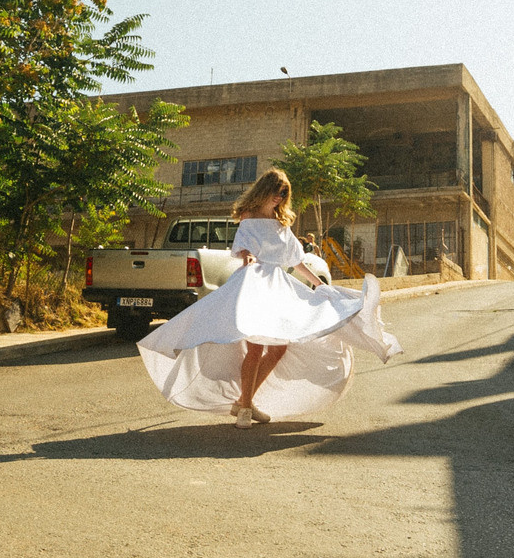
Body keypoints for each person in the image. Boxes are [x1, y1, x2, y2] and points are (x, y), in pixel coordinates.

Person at [139, 168, 401, 426]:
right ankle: (245, 408)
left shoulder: (281, 223)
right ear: (265, 189)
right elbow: (241, 249)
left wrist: (319, 284)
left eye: (284, 193)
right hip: (253, 284)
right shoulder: (248, 216)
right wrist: (248, 256)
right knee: (255, 348)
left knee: (278, 348)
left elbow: (296, 261)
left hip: (277, 287)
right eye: (277, 191)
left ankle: (244, 401)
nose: (280, 197)